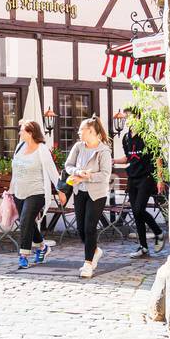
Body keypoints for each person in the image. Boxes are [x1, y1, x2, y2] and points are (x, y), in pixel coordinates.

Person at [64, 116, 113, 279]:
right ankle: (95, 251)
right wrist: (77, 172)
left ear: (91, 131)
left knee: (89, 228)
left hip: (97, 194)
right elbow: (68, 166)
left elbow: (106, 175)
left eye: (81, 129)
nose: (79, 132)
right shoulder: (78, 147)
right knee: (80, 229)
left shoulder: (104, 151)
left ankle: (88, 264)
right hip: (79, 192)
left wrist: (87, 176)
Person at [116, 106, 167, 258]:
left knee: (138, 210)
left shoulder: (148, 136)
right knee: (136, 213)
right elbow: (128, 158)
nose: (127, 120)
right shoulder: (126, 138)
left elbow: (157, 158)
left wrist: (159, 179)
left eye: (129, 117)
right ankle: (143, 247)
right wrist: (113, 161)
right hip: (133, 178)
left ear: (138, 118)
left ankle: (158, 231)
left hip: (147, 177)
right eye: (126, 118)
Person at [10, 120, 61, 270]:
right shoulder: (20, 147)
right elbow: (16, 170)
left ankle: (23, 255)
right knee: (28, 222)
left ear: (30, 133)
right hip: (19, 191)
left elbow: (52, 171)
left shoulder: (42, 149)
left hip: (36, 191)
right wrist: (10, 189)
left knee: (25, 219)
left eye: (22, 131)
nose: (19, 133)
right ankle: (43, 248)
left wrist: (61, 191)